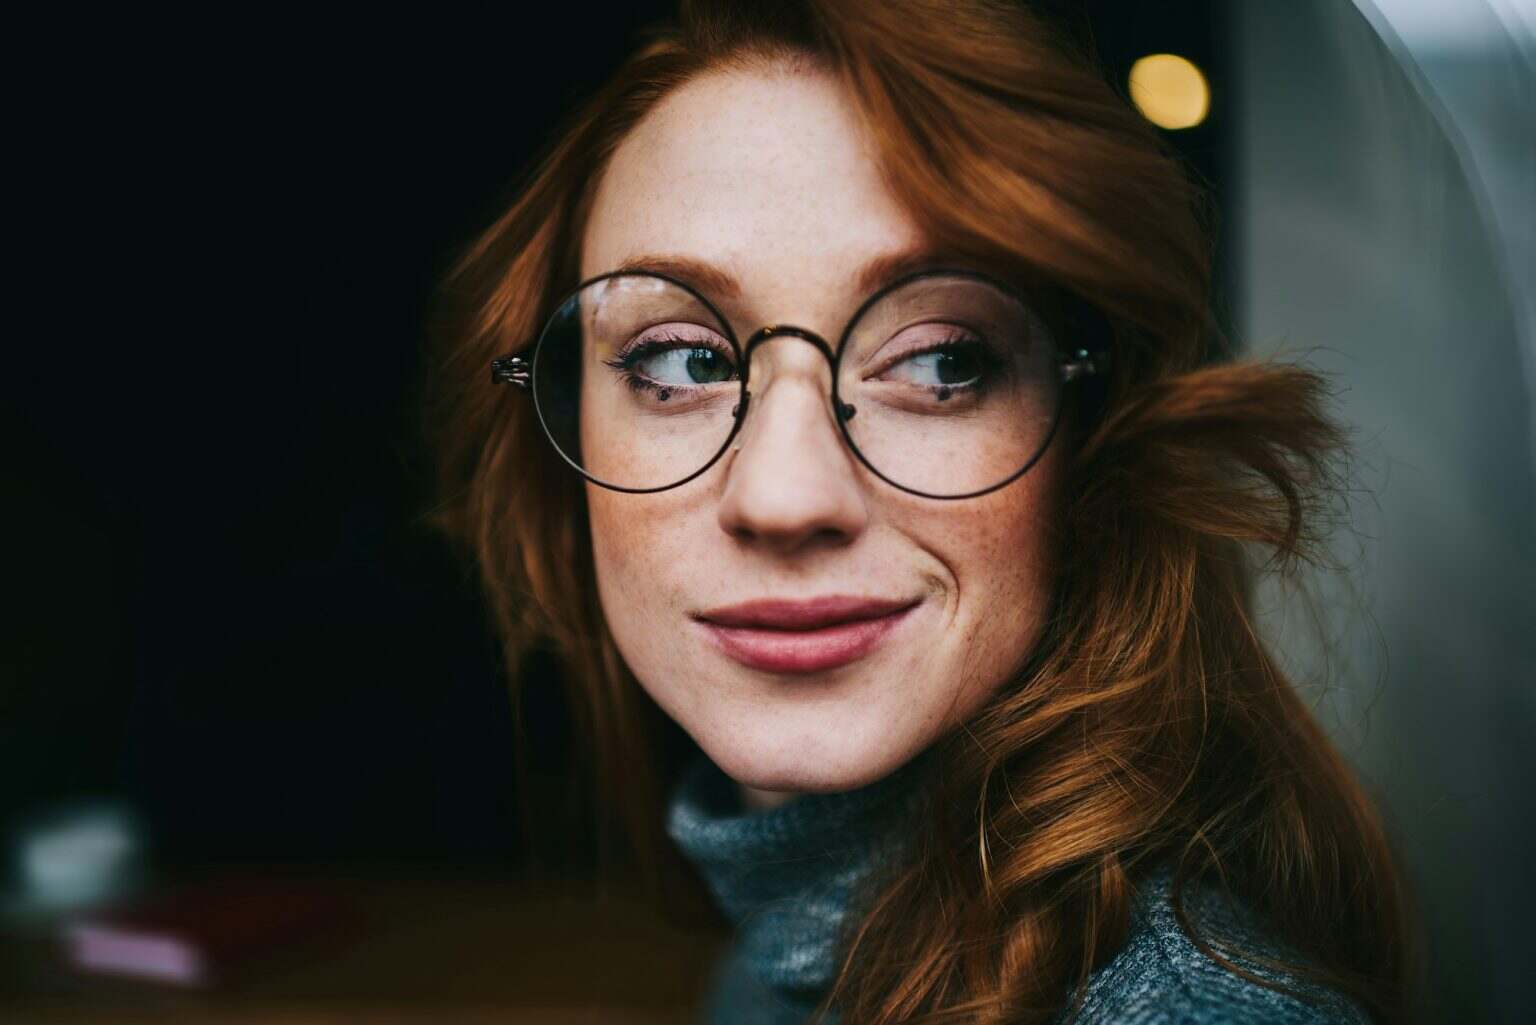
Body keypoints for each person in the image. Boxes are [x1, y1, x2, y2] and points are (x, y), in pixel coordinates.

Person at [426, 2, 1417, 1022]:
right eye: (684, 361)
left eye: (943, 360)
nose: (784, 494)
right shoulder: (770, 977)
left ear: (1095, 433)